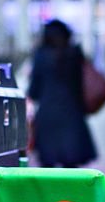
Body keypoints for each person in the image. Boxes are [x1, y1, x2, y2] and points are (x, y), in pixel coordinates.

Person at [27, 19, 97, 168]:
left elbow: (34, 90)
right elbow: (81, 85)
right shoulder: (75, 54)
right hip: (72, 114)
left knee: (47, 169)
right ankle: (70, 192)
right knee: (71, 169)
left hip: (48, 116)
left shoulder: (41, 55)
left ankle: (49, 192)